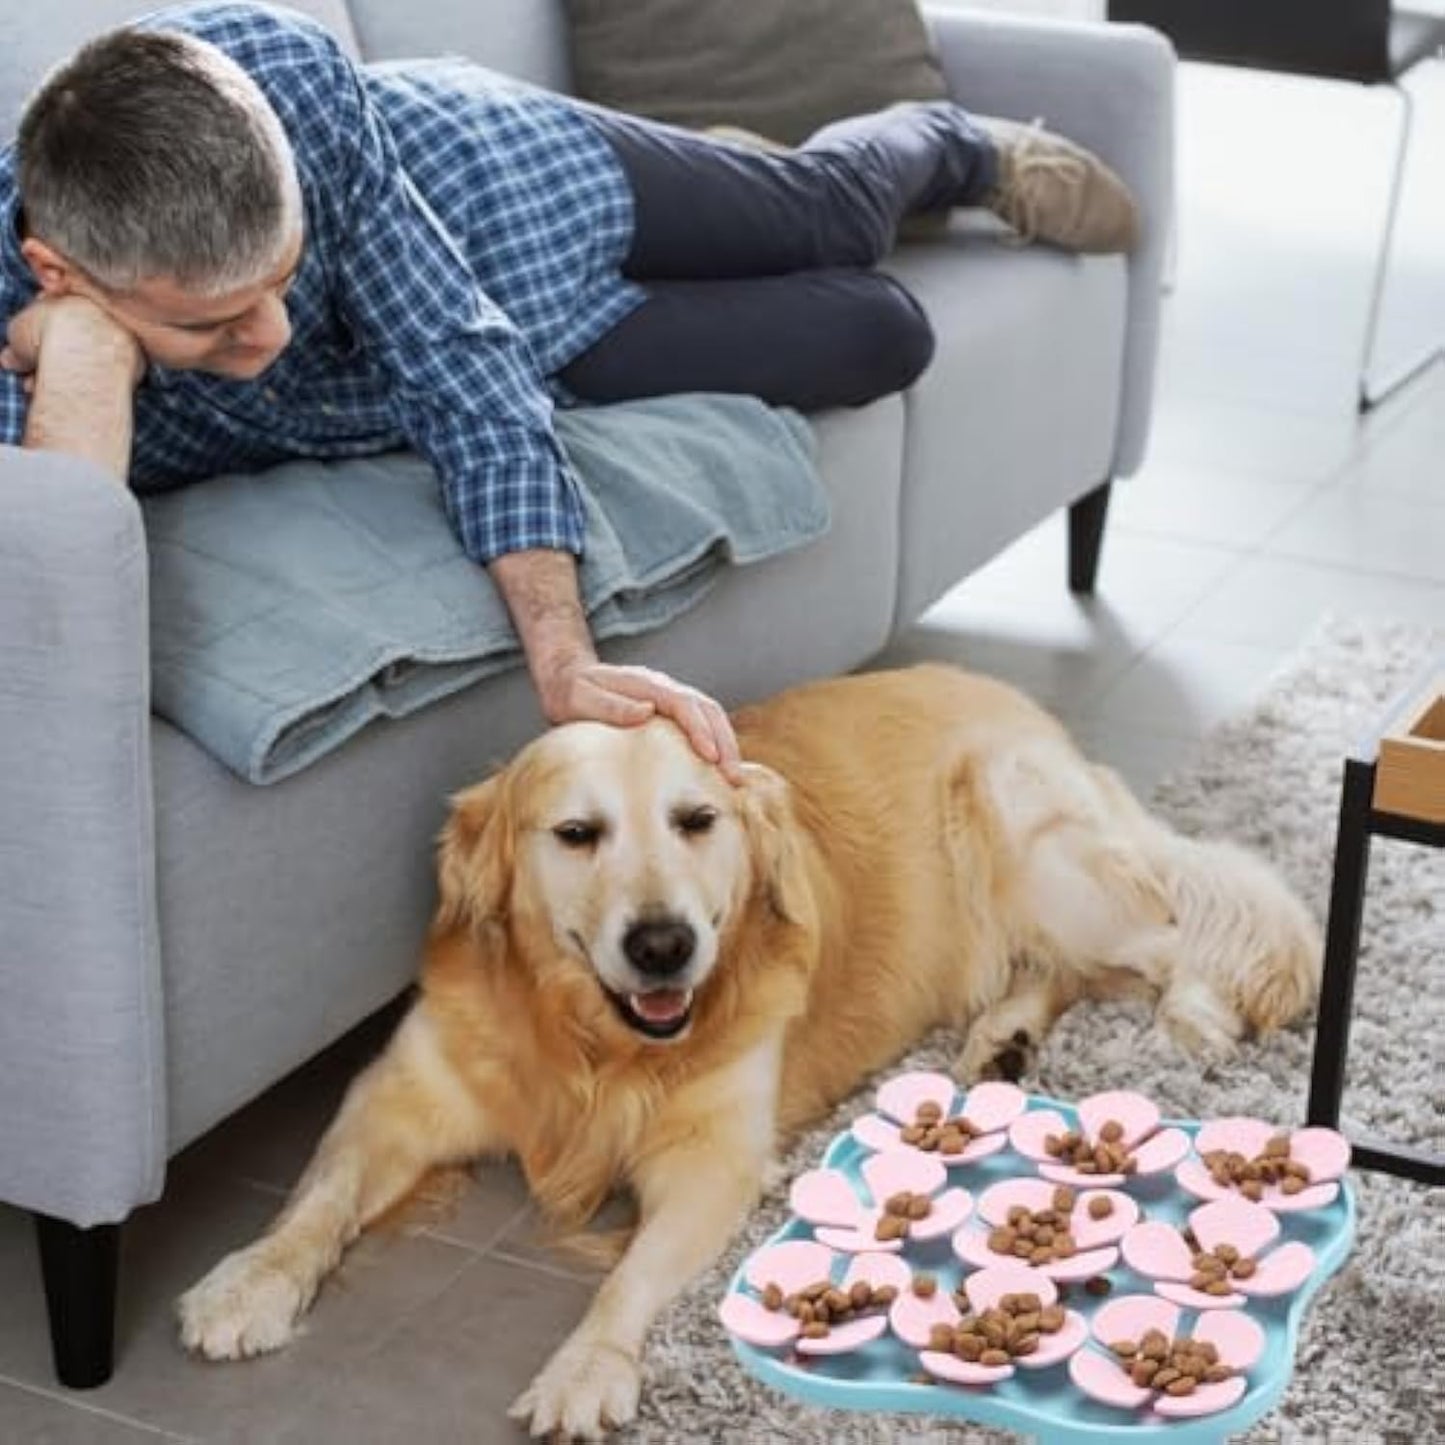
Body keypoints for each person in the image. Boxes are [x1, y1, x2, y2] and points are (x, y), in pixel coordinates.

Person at [0, 2, 1140, 781]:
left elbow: (453, 360)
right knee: (879, 331)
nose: (274, 333)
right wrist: (87, 356)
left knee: (826, 219)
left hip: (505, 180)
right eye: (212, 321)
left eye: (285, 278)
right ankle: (735, 179)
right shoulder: (35, 335)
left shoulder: (285, 76)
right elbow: (52, 605)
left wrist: (565, 656)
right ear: (59, 269)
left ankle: (949, 145)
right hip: (546, 351)